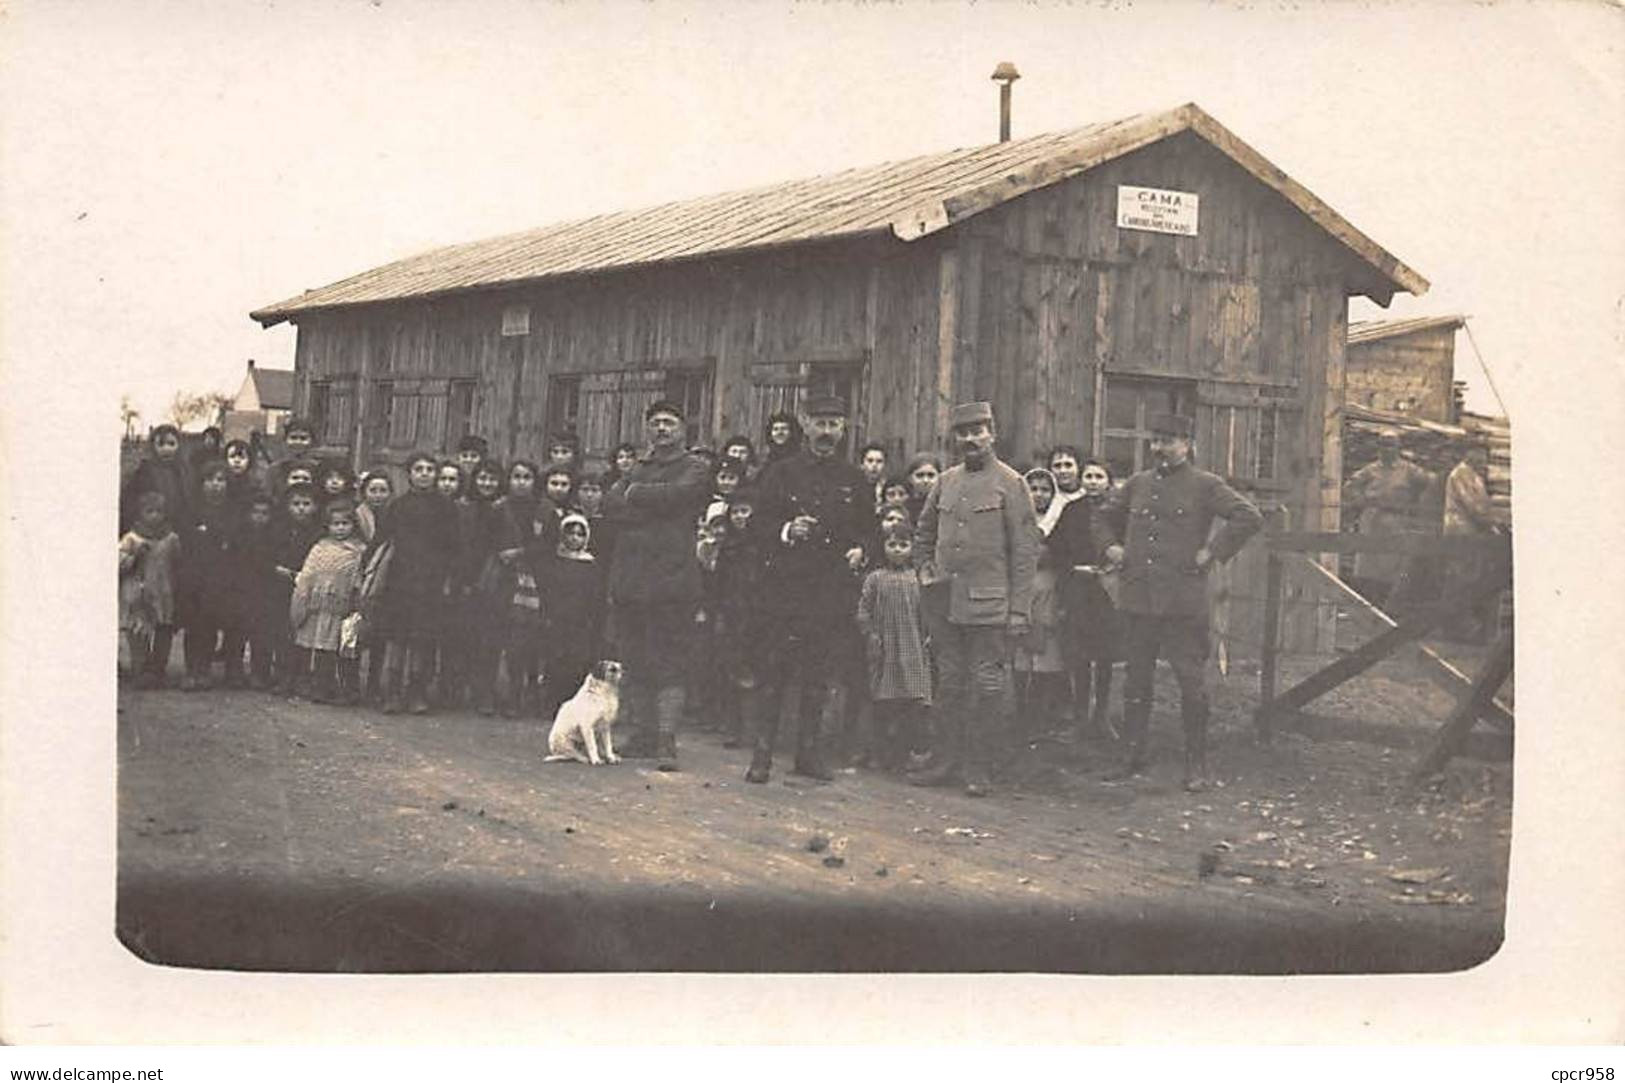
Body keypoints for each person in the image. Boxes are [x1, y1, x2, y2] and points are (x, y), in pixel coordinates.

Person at [1096, 413, 1262, 791]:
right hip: (1138, 600)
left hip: (1182, 603)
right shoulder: (1137, 484)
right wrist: (1111, 546)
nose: (1159, 448)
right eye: (1155, 440)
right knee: (1136, 682)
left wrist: (1212, 552)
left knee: (1191, 684)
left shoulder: (1205, 485)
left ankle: (1196, 763)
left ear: (1187, 444)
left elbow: (1248, 516)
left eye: (1168, 440)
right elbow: (1102, 518)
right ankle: (1131, 755)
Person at [908, 402, 1039, 797]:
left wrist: (1019, 610)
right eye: (963, 432)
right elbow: (923, 534)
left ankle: (979, 766)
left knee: (988, 687)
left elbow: (1025, 551)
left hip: (990, 606)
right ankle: (944, 761)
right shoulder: (945, 481)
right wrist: (925, 572)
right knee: (949, 684)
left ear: (992, 433)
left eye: (978, 431)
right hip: (945, 604)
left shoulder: (1011, 483)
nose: (970, 439)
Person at [746, 395, 871, 783]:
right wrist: (786, 530)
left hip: (828, 593)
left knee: (817, 676)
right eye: (820, 423)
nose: (827, 432)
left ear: (844, 428)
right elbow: (756, 526)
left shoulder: (854, 478)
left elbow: (868, 530)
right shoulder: (781, 473)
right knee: (774, 673)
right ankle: (762, 755)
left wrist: (860, 549)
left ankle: (807, 755)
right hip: (783, 591)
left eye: (834, 424)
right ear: (806, 424)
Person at [602, 400, 711, 771]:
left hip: (673, 581)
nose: (662, 429)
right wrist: (649, 502)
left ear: (683, 428)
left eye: (669, 422)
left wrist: (638, 497)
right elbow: (611, 504)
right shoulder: (636, 468)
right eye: (656, 423)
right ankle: (642, 733)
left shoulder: (696, 468)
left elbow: (680, 498)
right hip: (632, 581)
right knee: (636, 659)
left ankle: (666, 739)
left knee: (670, 661)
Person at [371, 453, 459, 714]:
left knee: (422, 640)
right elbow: (383, 540)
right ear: (409, 473)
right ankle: (392, 692)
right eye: (418, 469)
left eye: (429, 469)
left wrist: (449, 578)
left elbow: (455, 547)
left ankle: (417, 692)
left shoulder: (446, 507)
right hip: (400, 582)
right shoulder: (398, 506)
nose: (424, 474)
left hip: (431, 583)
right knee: (397, 639)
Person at [1047, 457, 1122, 741]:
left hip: (1107, 590)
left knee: (1104, 654)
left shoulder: (1118, 512)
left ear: (1108, 482)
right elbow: (1055, 547)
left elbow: (1125, 546)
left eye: (1098, 477)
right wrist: (1074, 567)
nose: (1092, 482)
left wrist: (1110, 567)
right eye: (1088, 476)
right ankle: (1080, 715)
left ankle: (1102, 716)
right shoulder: (1072, 510)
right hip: (1078, 588)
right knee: (1079, 654)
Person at [857, 522, 932, 772]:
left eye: (903, 545)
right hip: (885, 649)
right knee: (883, 703)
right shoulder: (875, 579)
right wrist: (870, 634)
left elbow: (927, 614)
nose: (897, 550)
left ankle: (909, 753)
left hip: (912, 650)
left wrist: (928, 636)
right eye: (892, 544)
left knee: (913, 703)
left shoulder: (918, 579)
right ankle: (879, 753)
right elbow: (864, 610)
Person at [1343, 428, 1433, 608]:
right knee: (1368, 567)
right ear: (1378, 448)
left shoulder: (1409, 470)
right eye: (1383, 445)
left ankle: (1389, 608)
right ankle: (1368, 605)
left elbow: (1431, 482)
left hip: (1396, 522)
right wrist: (1360, 501)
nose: (1387, 449)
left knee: (1393, 568)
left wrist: (1419, 505)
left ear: (1398, 448)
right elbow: (1349, 487)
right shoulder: (1370, 470)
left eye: (1391, 445)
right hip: (1372, 520)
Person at [290, 499, 368, 704]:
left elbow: (360, 578)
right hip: (319, 607)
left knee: (345, 650)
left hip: (344, 609)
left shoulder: (359, 550)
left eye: (345, 523)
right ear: (328, 525)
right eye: (336, 524)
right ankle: (322, 686)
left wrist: (356, 599)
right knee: (322, 649)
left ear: (353, 525)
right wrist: (304, 598)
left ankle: (349, 689)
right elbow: (308, 574)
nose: (340, 528)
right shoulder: (319, 548)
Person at [177, 461, 241, 691]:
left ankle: (203, 669)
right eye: (210, 480)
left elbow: (232, 537)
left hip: (220, 576)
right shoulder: (192, 507)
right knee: (193, 623)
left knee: (210, 623)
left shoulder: (232, 509)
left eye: (221, 480)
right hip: (194, 574)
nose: (216, 485)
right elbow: (186, 535)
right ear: (201, 483)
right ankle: (191, 669)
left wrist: (210, 533)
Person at [537, 513, 607, 722]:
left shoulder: (591, 565)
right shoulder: (554, 561)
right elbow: (548, 590)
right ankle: (552, 704)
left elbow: (596, 596)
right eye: (570, 533)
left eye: (579, 534)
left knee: (577, 663)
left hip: (581, 622)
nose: (574, 538)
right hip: (557, 619)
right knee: (556, 661)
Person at [713, 488, 768, 749]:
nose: (740, 517)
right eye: (735, 512)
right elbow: (719, 581)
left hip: (758, 613)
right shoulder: (728, 546)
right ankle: (733, 727)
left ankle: (757, 729)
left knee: (757, 670)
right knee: (732, 668)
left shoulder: (763, 544)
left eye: (745, 511)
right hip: (733, 612)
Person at [1014, 467, 1066, 736]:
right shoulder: (1018, 520)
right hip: (1023, 589)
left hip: (1048, 588)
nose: (1038, 494)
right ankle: (1020, 712)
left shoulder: (1057, 520)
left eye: (1045, 489)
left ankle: (1042, 712)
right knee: (1021, 655)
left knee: (1046, 654)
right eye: (1033, 489)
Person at [119, 491, 182, 688]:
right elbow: (118, 565)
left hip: (163, 592)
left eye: (159, 512)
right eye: (149, 511)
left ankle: (157, 670)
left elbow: (178, 563)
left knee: (163, 629)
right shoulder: (131, 538)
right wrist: (133, 556)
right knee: (138, 631)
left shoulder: (171, 538)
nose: (154, 516)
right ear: (140, 514)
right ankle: (141, 669)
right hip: (137, 593)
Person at [1442, 443, 1502, 642]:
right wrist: (1493, 524)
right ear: (1468, 452)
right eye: (1478, 453)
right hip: (1461, 531)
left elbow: (1482, 505)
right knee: (1461, 579)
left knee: (1471, 578)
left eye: (1484, 455)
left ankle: (1465, 628)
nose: (1482, 459)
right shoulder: (1462, 474)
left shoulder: (1474, 475)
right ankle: (1456, 629)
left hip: (1472, 533)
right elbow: (1474, 506)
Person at [271, 482, 326, 697]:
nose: (301, 508)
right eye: (296, 504)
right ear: (287, 506)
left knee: (304, 632)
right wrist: (279, 569)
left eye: (306, 504)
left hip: (308, 585)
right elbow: (269, 554)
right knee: (283, 631)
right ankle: (284, 674)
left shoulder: (318, 532)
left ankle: (303, 675)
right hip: (282, 584)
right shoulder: (279, 529)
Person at [235, 490, 284, 690]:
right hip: (242, 588)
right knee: (239, 631)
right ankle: (235, 670)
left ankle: (260, 671)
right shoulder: (241, 534)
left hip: (266, 591)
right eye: (255, 512)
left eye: (265, 513)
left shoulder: (275, 536)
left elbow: (273, 562)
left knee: (263, 634)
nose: (260, 517)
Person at [121, 423, 190, 534]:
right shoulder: (144, 471)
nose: (166, 449)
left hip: (180, 527)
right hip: (153, 528)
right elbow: (130, 501)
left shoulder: (184, 471)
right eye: (161, 444)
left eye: (171, 444)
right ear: (153, 446)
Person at [1043, 445, 1088, 535]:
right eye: (1057, 466)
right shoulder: (1046, 497)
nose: (1063, 470)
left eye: (1068, 465)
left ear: (1078, 467)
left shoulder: (1087, 495)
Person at [903, 452, 942, 529]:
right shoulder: (904, 507)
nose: (925, 481)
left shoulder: (943, 507)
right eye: (920, 475)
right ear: (910, 478)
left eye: (931, 475)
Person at [857, 441, 890, 515]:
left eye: (879, 461)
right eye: (870, 461)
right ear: (862, 464)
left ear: (885, 465)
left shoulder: (888, 489)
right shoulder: (855, 487)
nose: (874, 465)